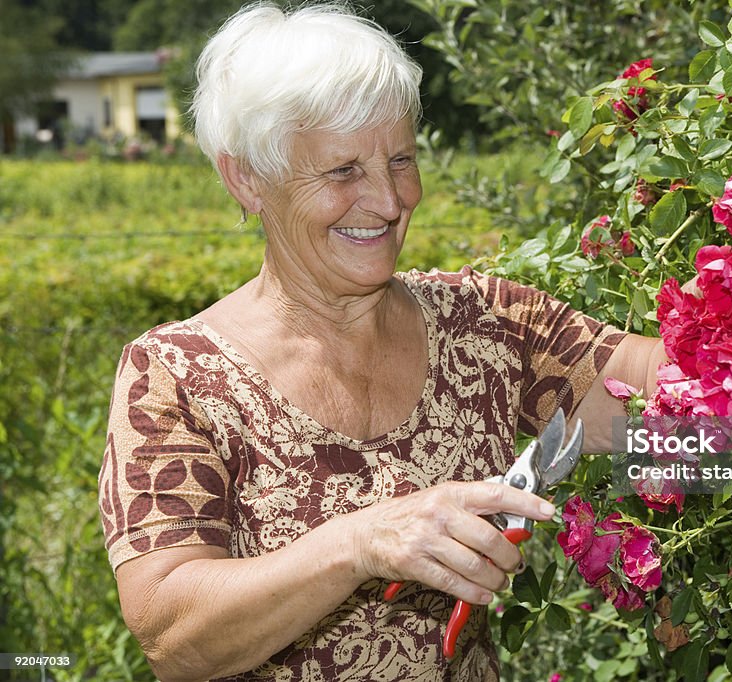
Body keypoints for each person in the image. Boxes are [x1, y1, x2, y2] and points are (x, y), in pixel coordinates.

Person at [97, 4, 667, 681]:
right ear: (247, 178)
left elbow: (696, 416)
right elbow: (175, 637)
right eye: (342, 171)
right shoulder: (176, 377)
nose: (390, 200)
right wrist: (357, 544)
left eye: (401, 159)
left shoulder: (484, 325)